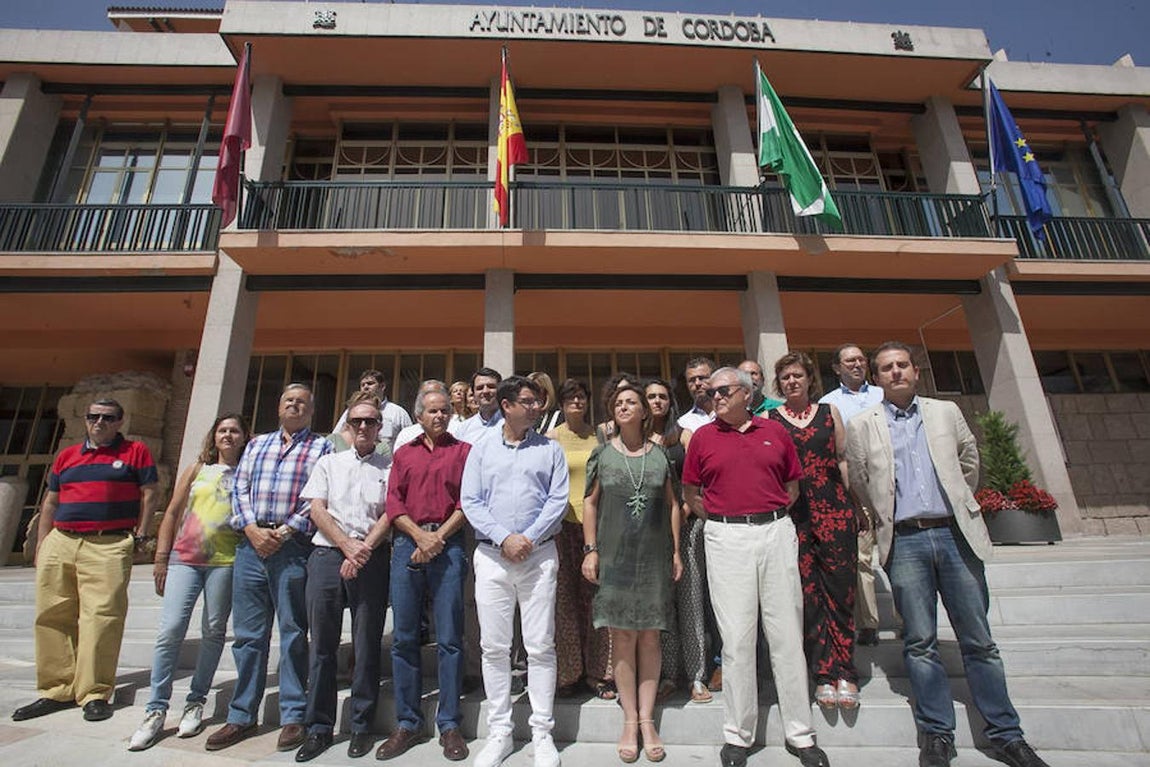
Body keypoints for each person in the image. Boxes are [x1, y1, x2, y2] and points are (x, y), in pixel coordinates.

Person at [845, 342, 1049, 767]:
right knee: (919, 642)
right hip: (905, 541)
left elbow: (968, 462)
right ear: (876, 378)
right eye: (887, 368)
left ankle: (1006, 734)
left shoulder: (945, 412)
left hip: (955, 536)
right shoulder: (863, 424)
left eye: (903, 365)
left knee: (979, 641)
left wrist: (955, 501)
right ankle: (937, 734)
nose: (896, 372)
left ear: (915, 371)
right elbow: (861, 480)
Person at [682, 368, 830, 767]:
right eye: (711, 391)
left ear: (747, 394)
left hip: (775, 531)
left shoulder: (775, 431)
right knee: (737, 639)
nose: (715, 396)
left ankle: (801, 734)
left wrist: (767, 515)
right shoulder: (702, 438)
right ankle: (738, 735)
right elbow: (691, 493)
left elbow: (792, 486)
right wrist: (721, 520)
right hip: (726, 537)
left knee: (786, 635)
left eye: (723, 390)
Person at [13, 399, 158, 724]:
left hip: (108, 542)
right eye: (93, 416)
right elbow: (51, 501)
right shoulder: (67, 456)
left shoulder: (135, 452)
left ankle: (94, 693)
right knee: (51, 615)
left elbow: (150, 494)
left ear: (119, 421)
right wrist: (42, 544)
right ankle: (57, 689)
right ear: (86, 419)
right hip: (62, 540)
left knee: (102, 617)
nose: (99, 422)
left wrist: (142, 534)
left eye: (107, 417)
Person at [206, 383, 332, 752]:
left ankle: (293, 715)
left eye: (302, 402)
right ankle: (242, 714)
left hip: (292, 548)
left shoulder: (322, 447)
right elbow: (239, 489)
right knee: (248, 635)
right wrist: (250, 529)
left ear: (312, 411)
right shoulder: (256, 444)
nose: (295, 406)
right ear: (279, 407)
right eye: (289, 400)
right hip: (250, 547)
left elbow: (318, 497)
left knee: (292, 631)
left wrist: (285, 530)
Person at [461, 375, 569, 767]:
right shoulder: (481, 449)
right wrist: (504, 538)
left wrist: (528, 538)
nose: (537, 407)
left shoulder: (550, 449)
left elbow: (558, 499)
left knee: (540, 646)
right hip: (492, 557)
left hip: (539, 556)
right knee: (494, 647)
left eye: (537, 401)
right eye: (528, 401)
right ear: (506, 406)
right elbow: (471, 501)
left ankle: (542, 733)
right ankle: (500, 733)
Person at [129, 414, 250, 751]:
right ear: (214, 436)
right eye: (222, 430)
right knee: (170, 630)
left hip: (225, 561)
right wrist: (161, 556)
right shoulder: (198, 469)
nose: (228, 435)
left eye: (234, 431)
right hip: (185, 558)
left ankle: (196, 701)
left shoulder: (248, 471)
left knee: (213, 630)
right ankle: (156, 708)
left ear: (244, 437)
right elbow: (172, 512)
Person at [582, 384, 682, 764]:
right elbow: (590, 503)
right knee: (622, 636)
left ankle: (647, 720)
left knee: (651, 636)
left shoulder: (660, 455)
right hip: (615, 557)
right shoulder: (603, 454)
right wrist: (591, 550)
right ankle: (629, 721)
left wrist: (676, 551)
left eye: (632, 402)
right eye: (619, 403)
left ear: (644, 412)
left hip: (653, 558)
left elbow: (674, 505)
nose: (624, 407)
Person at [294, 393, 393, 762]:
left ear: (380, 427)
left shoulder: (390, 467)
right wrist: (345, 545)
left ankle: (361, 726)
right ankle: (318, 727)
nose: (364, 427)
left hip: (372, 557)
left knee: (366, 645)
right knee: (322, 646)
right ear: (348, 427)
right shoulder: (328, 463)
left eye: (370, 421)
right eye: (357, 421)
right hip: (326, 556)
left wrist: (361, 549)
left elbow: (391, 513)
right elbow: (316, 509)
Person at [377, 387, 472, 762]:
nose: (440, 415)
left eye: (445, 410)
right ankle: (408, 722)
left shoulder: (463, 452)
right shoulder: (404, 453)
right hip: (407, 545)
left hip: (449, 546)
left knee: (449, 638)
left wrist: (437, 538)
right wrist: (419, 536)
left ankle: (449, 724)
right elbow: (393, 502)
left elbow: (467, 502)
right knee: (404, 638)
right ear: (418, 416)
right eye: (432, 410)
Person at [768, 353, 860, 710]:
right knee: (807, 594)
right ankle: (823, 673)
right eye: (785, 377)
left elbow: (842, 460)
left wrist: (855, 505)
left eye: (797, 375)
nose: (792, 381)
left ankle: (846, 670)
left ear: (809, 379)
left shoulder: (829, 412)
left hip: (834, 509)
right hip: (795, 515)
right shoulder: (771, 419)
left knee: (841, 589)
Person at [545, 378, 613, 700]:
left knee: (596, 599)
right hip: (561, 527)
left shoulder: (600, 436)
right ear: (561, 403)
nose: (577, 401)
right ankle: (568, 673)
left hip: (596, 527)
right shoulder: (551, 438)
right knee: (564, 601)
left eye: (582, 396)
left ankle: (599, 673)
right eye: (570, 397)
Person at [646, 377, 711, 705]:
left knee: (690, 599)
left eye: (662, 396)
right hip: (651, 532)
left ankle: (697, 675)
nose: (657, 401)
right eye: (651, 397)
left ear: (671, 402)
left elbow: (699, 480)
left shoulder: (684, 435)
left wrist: (684, 512)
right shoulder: (636, 438)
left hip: (686, 526)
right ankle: (669, 675)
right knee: (664, 603)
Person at [818, 343, 884, 647]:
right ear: (837, 368)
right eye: (849, 361)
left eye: (860, 359)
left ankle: (907, 620)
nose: (857, 364)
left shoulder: (882, 394)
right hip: (857, 489)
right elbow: (836, 452)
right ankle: (869, 623)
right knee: (862, 559)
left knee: (899, 556)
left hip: (890, 487)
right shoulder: (829, 404)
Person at [333, 369, 413, 449]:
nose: (365, 387)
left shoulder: (398, 412)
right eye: (362, 385)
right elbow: (336, 438)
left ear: (382, 386)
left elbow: (411, 439)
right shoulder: (352, 411)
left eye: (370, 383)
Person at [453, 367, 504, 443]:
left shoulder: (513, 424)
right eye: (480, 388)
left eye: (491, 386)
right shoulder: (463, 429)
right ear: (474, 394)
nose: (485, 391)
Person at [594, 372, 637, 443]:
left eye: (626, 389)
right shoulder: (605, 429)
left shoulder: (642, 427)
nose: (622, 393)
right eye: (619, 390)